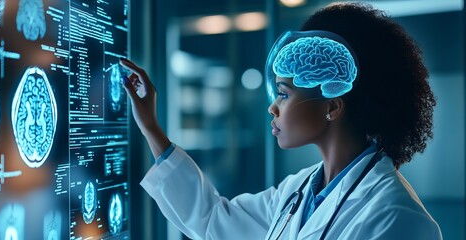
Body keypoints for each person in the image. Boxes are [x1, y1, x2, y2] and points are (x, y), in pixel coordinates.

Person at [120, 2, 442, 239]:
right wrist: (151, 127)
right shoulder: (299, 190)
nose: (273, 108)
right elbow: (214, 219)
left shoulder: (398, 218)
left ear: (332, 104)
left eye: (284, 94)